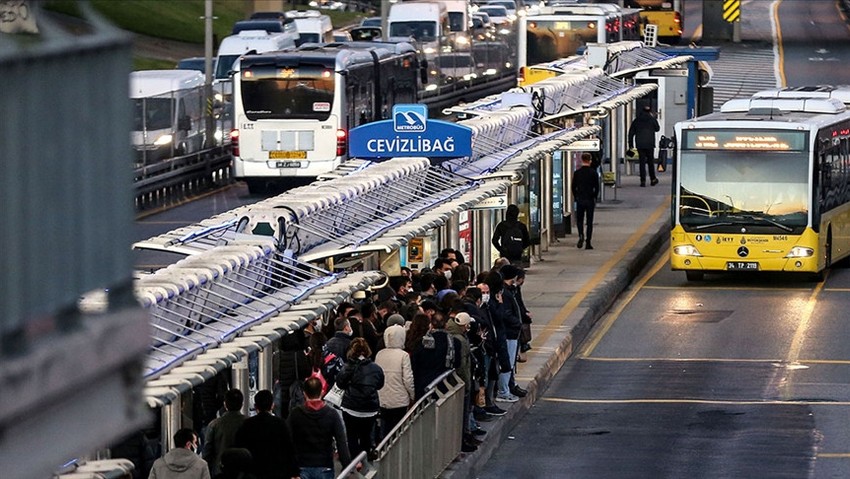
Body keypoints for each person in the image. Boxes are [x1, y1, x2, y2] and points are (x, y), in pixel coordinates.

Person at [287, 377, 352, 479]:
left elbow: (287, 441)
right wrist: (347, 465)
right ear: (322, 392)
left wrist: (290, 467)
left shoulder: (295, 414)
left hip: (301, 465)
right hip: (325, 465)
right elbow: (341, 442)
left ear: (304, 393)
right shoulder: (332, 414)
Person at [336, 337, 385, 461]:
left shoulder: (348, 367)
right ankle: (365, 460)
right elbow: (380, 385)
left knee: (352, 436)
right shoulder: (376, 368)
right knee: (366, 436)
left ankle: (354, 462)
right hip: (370, 408)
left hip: (351, 407)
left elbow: (340, 383)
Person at [233, 390, 299, 479]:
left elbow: (239, 448)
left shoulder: (247, 424)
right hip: (277, 473)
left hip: (254, 473)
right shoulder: (280, 424)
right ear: (272, 405)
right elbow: (289, 449)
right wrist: (294, 472)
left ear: (256, 406)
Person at [374, 324, 415, 438]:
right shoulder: (404, 355)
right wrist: (412, 395)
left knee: (384, 427)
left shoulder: (379, 354)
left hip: (382, 398)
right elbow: (408, 379)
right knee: (398, 429)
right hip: (400, 399)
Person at [203, 389, 246, 476]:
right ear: (242, 404)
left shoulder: (214, 424)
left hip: (220, 472)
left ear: (225, 404)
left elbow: (207, 452)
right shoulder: (249, 423)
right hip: (243, 472)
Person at [572, 152, 600, 250]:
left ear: (581, 160)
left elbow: (573, 187)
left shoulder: (577, 173)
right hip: (590, 199)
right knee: (589, 222)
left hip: (580, 199)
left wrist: (576, 197)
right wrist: (594, 197)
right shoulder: (593, 173)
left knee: (579, 220)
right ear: (590, 160)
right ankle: (588, 242)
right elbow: (597, 187)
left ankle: (580, 235)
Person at [628, 104, 660, 187]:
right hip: (650, 144)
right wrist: (653, 117)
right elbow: (657, 129)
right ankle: (653, 179)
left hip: (640, 144)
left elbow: (631, 133)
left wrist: (630, 144)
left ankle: (643, 181)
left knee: (642, 163)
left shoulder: (637, 120)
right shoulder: (652, 119)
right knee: (650, 162)